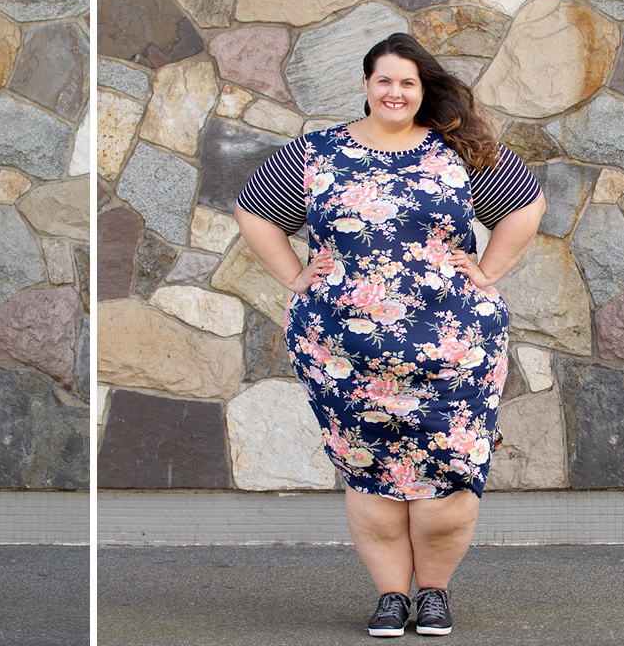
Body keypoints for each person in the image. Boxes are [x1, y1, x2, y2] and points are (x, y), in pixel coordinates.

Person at [234, 33, 545, 638]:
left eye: (407, 82)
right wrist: (294, 275)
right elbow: (253, 209)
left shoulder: (459, 152)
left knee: (450, 474)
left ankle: (433, 594)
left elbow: (524, 203)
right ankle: (389, 597)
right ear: (367, 86)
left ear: (422, 89)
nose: (395, 92)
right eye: (385, 81)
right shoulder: (316, 154)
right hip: (342, 354)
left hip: (455, 349)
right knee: (369, 471)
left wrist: (489, 272)